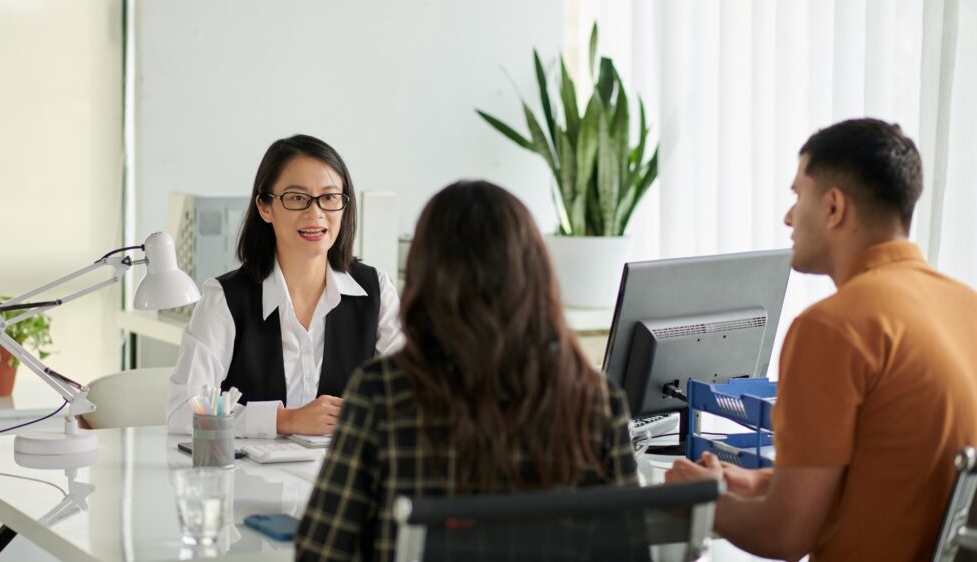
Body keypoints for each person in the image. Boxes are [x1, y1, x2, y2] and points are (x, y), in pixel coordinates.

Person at [665, 119, 977, 561]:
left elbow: (784, 536)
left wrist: (699, 500)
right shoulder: (967, 306)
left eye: (797, 196)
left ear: (833, 208)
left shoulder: (832, 327)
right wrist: (757, 483)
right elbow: (890, 476)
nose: (788, 217)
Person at [295, 180, 637, 561]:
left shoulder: (383, 394)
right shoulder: (595, 398)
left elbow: (320, 553)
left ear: (424, 277)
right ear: (535, 273)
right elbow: (630, 552)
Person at [167, 135, 403, 438]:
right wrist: (284, 420)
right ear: (265, 207)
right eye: (296, 198)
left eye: (329, 197)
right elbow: (181, 410)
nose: (315, 212)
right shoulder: (225, 299)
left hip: (345, 478)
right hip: (248, 482)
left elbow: (413, 396)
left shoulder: (376, 290)